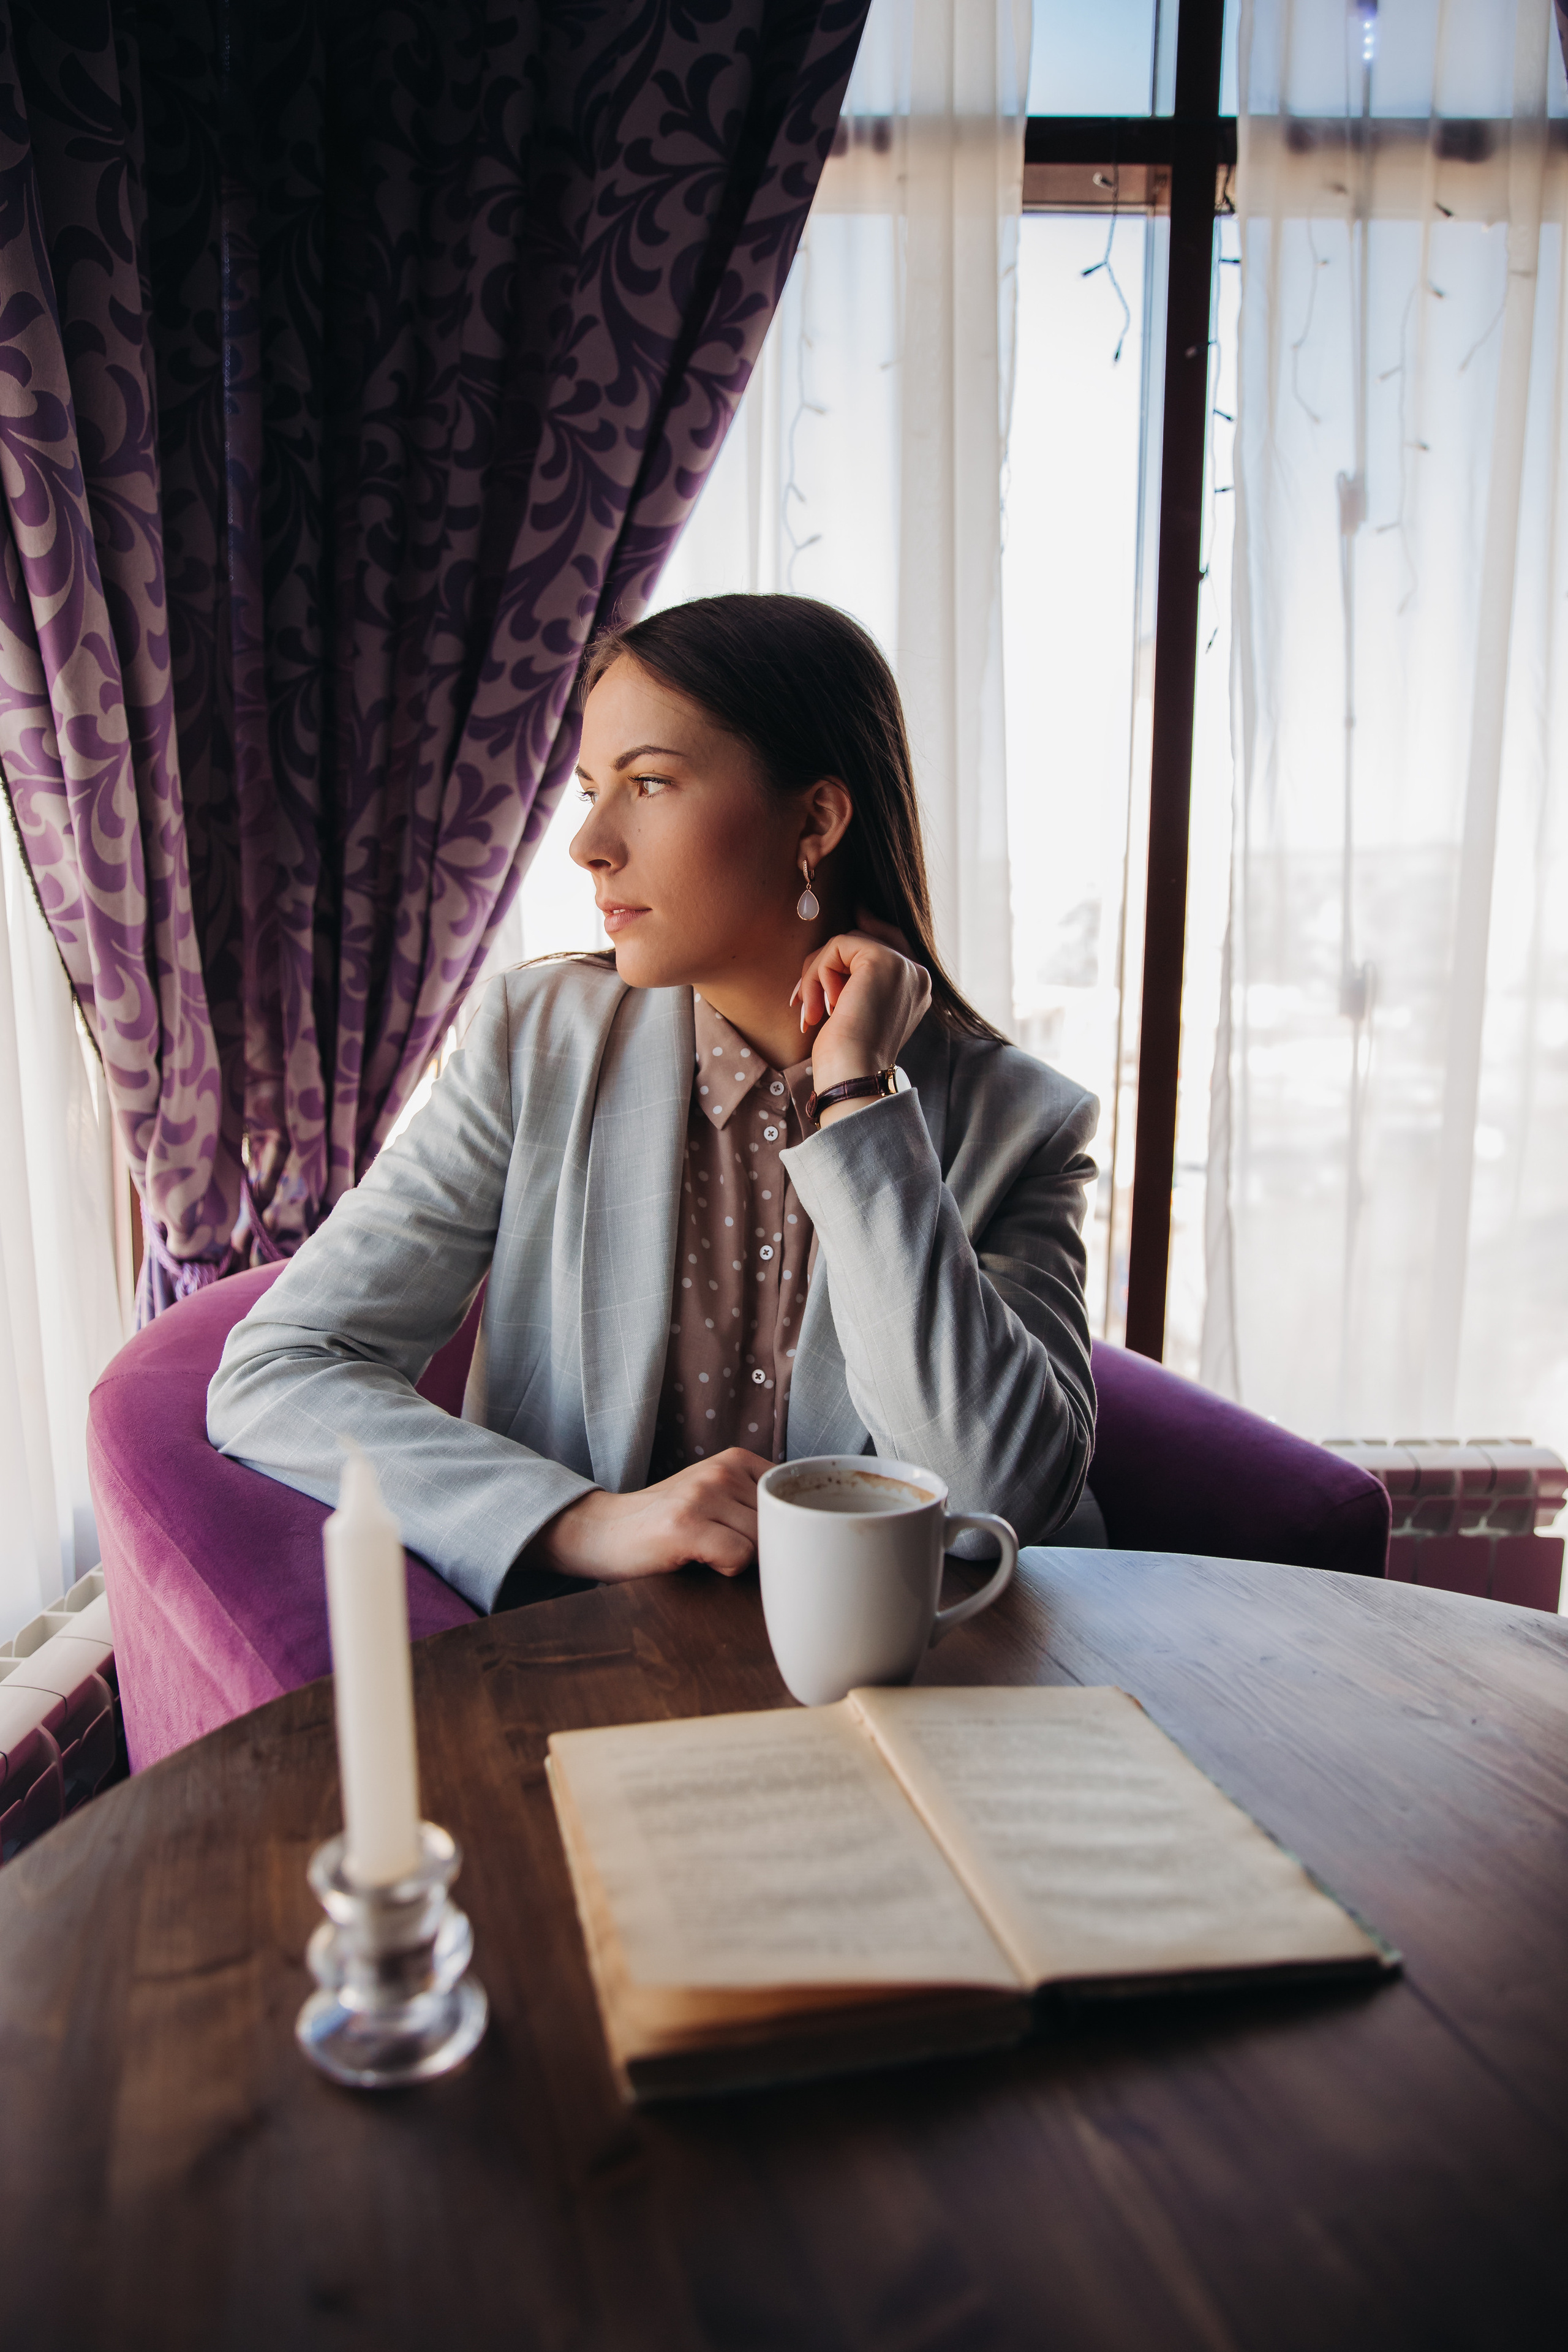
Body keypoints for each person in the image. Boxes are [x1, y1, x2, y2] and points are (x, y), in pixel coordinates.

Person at [208, 595, 1098, 1611]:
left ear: (815, 820)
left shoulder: (1023, 1122)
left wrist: (856, 1094)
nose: (589, 842)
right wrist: (583, 1520)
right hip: (596, 1679)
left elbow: (1004, 1494)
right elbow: (278, 1369)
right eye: (591, 789)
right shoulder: (532, 1045)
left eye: (650, 783)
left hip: (920, 1682)